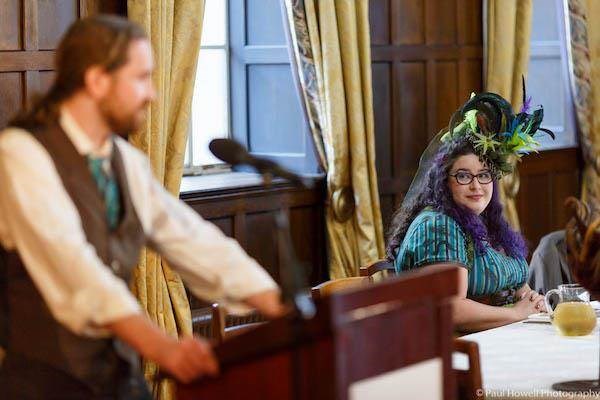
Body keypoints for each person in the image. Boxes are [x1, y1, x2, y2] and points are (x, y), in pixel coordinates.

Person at [0, 15, 283, 399]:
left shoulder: (125, 161)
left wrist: (278, 306)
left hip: (118, 380)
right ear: (98, 80)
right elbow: (74, 268)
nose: (152, 94)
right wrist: (162, 346)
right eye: (140, 77)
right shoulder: (21, 154)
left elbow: (190, 238)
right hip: (44, 385)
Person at [386, 91, 555, 333]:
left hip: (503, 336)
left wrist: (532, 300)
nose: (476, 185)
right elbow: (451, 310)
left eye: (484, 175)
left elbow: (517, 284)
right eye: (464, 176)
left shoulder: (485, 222)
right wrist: (516, 312)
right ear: (444, 181)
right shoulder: (438, 226)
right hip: (454, 351)